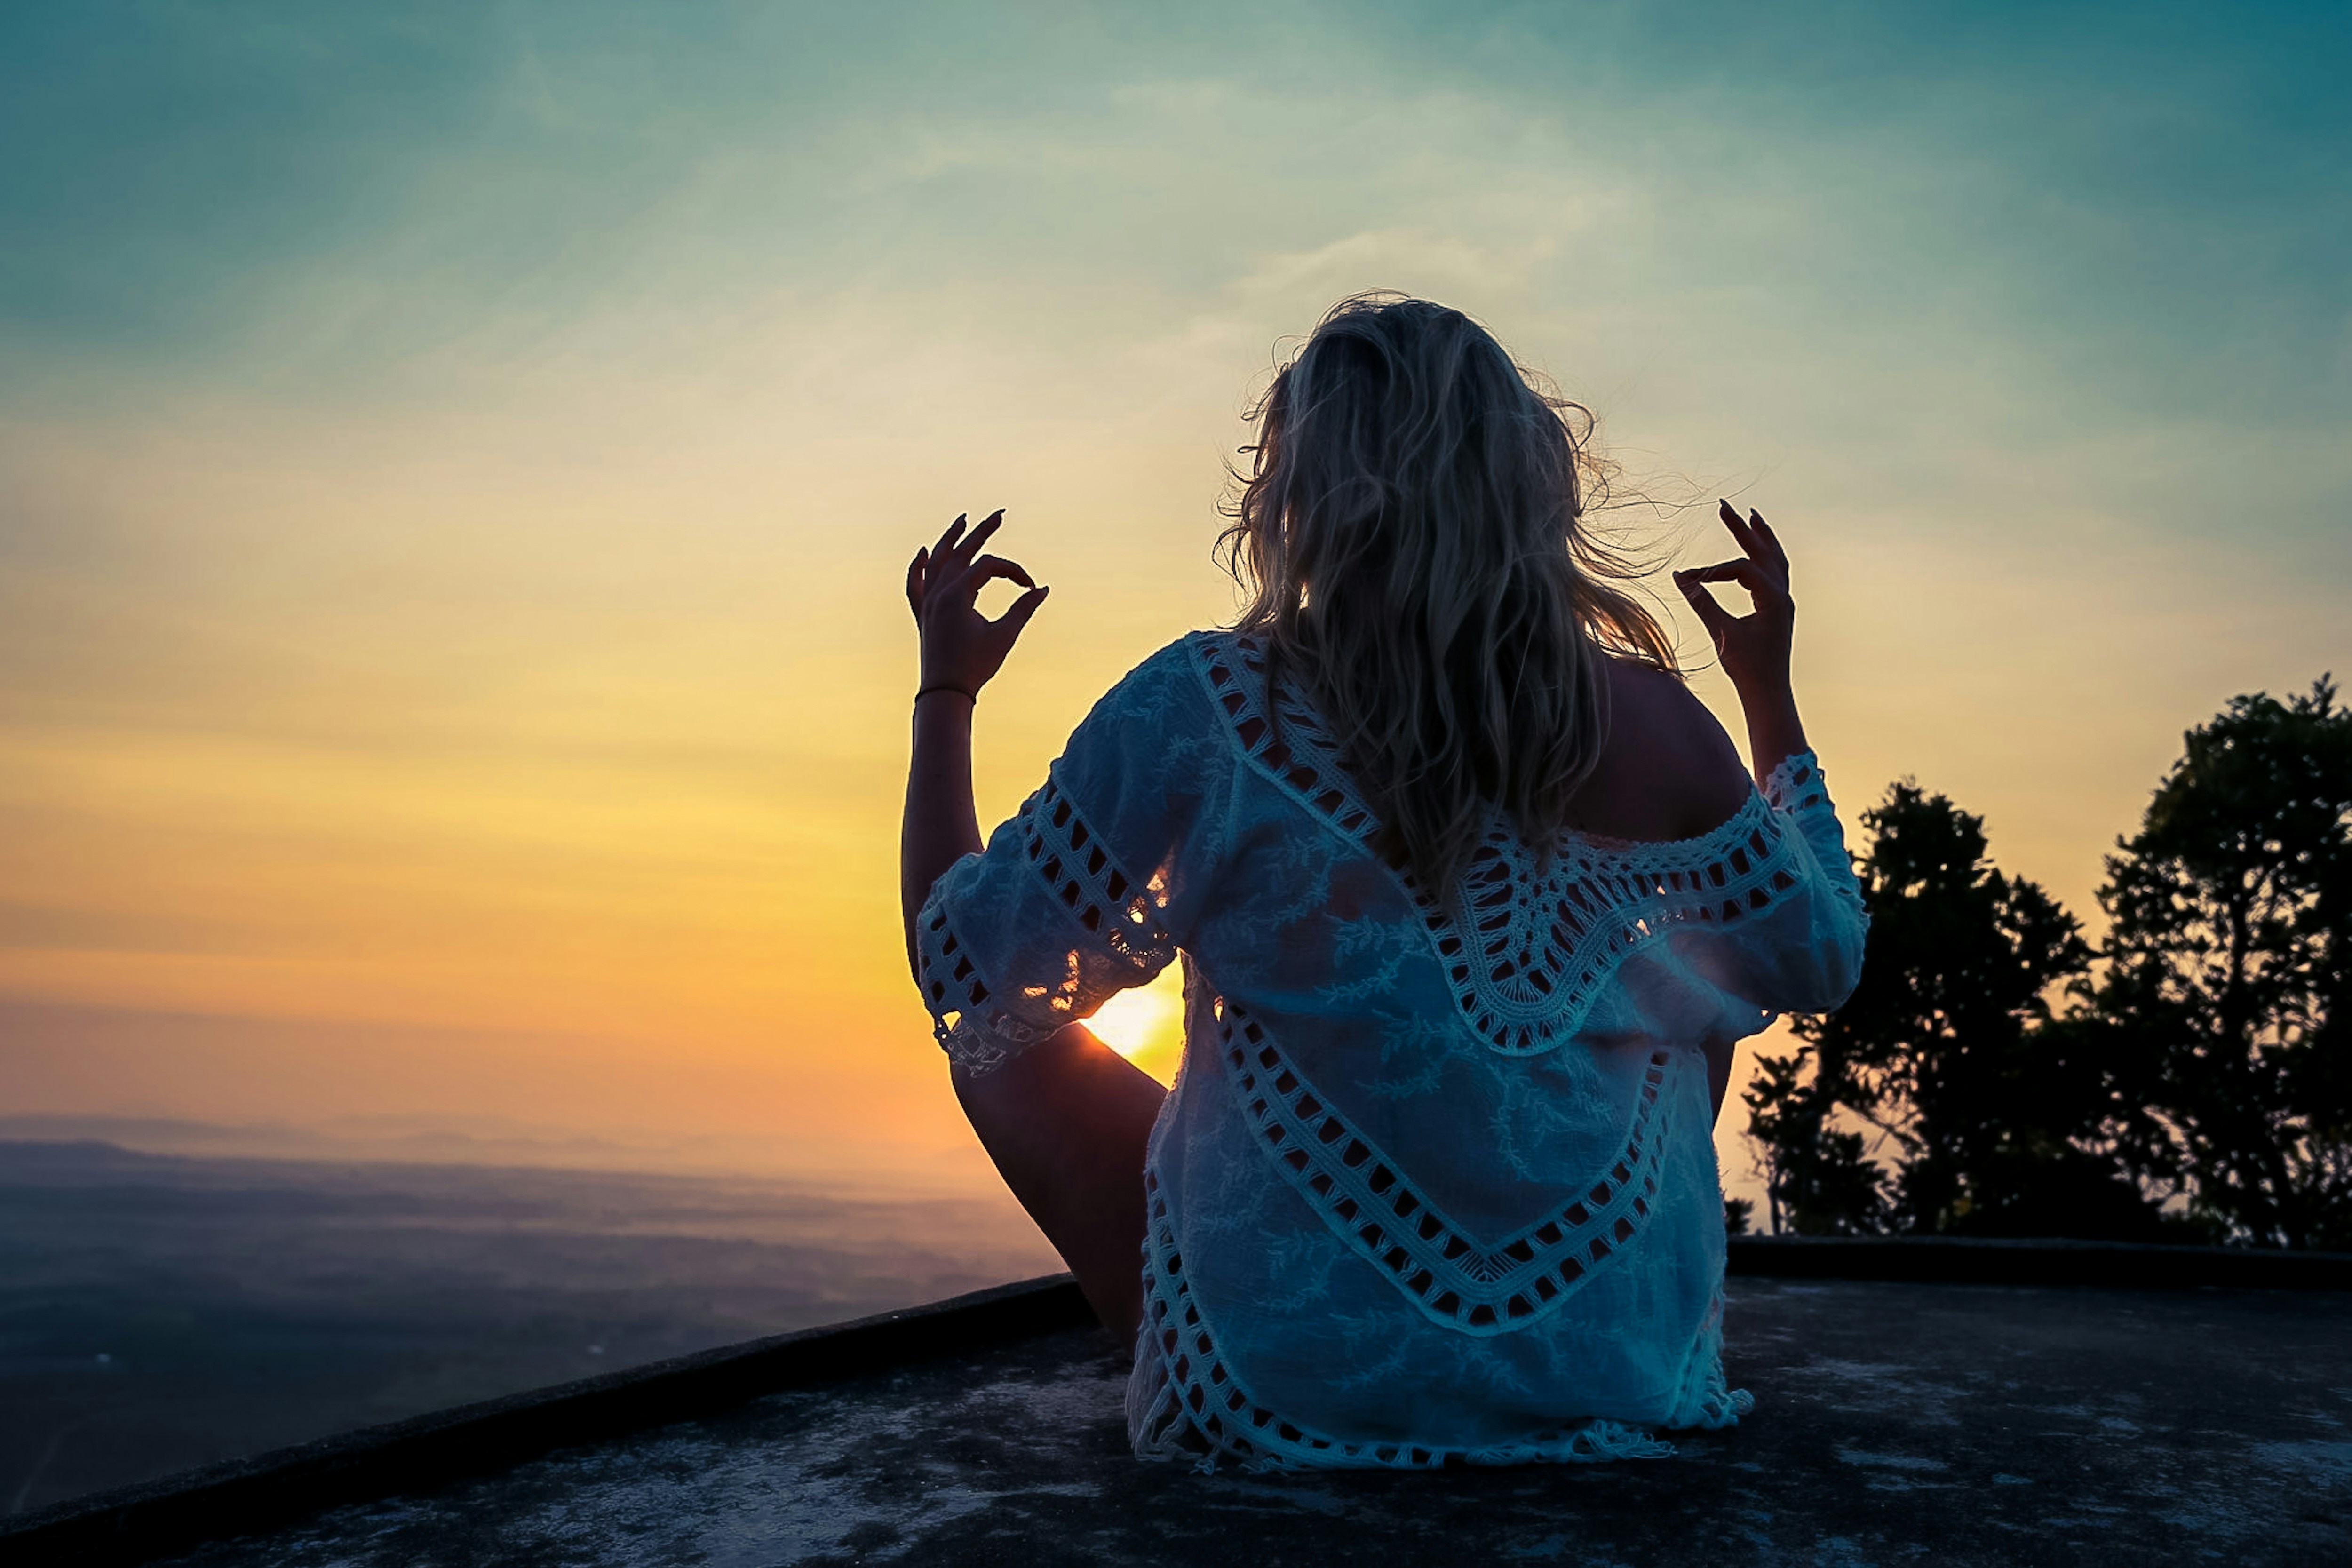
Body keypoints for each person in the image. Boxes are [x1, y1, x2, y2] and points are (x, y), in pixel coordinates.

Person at [899, 294, 1867, 1470]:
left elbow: (963, 962)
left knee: (1002, 1038)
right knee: (1705, 962)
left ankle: (1251, 1341)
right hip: (1619, 1375)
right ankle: (1555, 1337)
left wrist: (944, 691)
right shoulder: (1661, 720)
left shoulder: (1215, 707)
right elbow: (1818, 952)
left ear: (1298, 494)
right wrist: (1763, 686)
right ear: (1531, 484)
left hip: (1288, 1392)